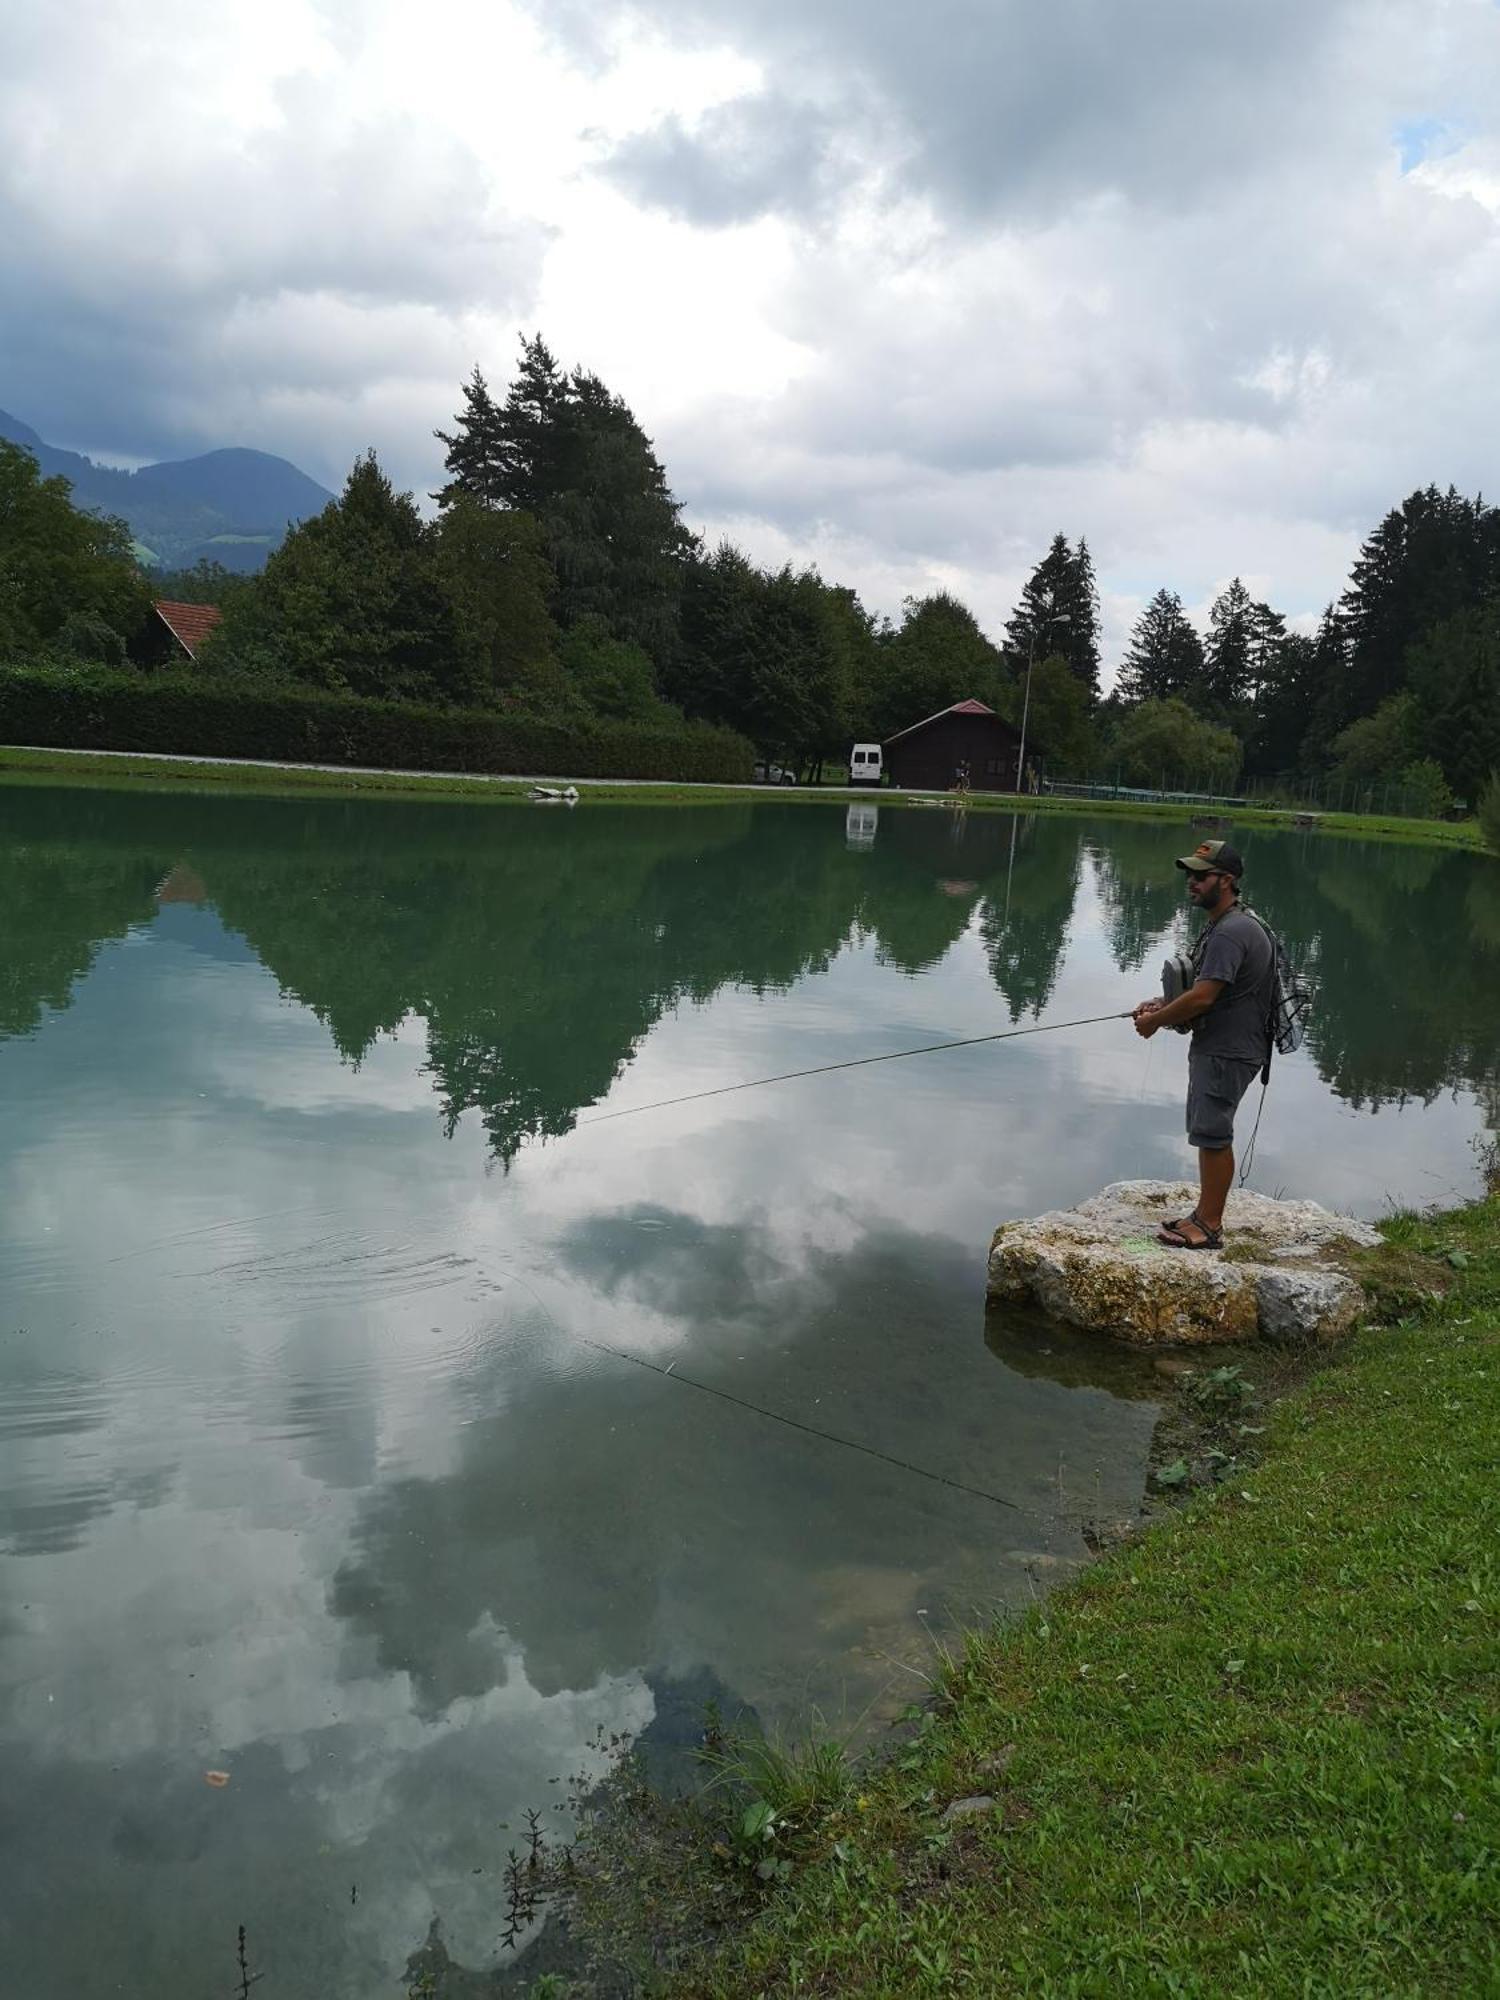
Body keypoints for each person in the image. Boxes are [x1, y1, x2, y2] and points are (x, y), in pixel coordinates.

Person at [1131, 839, 1274, 1249]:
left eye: (1201, 875)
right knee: (1208, 1130)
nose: (1191, 882)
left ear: (1226, 880)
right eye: (1190, 875)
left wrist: (1156, 1022)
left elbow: (1205, 997)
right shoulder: (1227, 924)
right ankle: (1203, 1214)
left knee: (1213, 1133)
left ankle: (1209, 1226)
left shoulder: (1232, 931)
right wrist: (1160, 1003)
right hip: (1223, 1046)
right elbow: (1207, 988)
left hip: (1229, 1049)